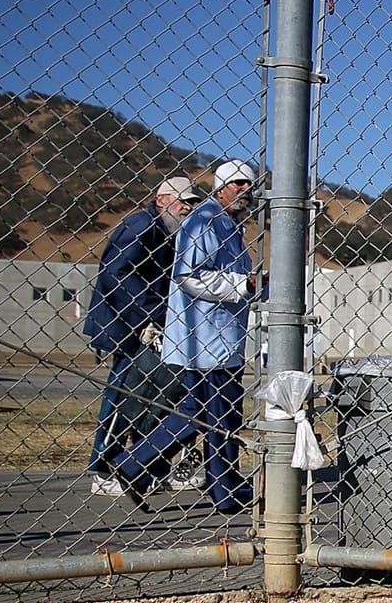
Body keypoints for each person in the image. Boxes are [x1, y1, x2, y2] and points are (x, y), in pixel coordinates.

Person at [105, 159, 259, 513]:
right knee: (216, 414)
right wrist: (242, 284)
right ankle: (223, 489)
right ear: (220, 187)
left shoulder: (230, 226)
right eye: (238, 184)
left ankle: (137, 465)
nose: (245, 192)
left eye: (249, 186)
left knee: (209, 411)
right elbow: (188, 275)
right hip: (203, 339)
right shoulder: (205, 221)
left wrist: (250, 287)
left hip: (220, 338)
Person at [81, 175, 198, 494]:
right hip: (128, 327)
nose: (188, 207)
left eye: (191, 202)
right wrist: (152, 313)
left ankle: (150, 467)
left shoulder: (168, 231)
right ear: (162, 200)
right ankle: (103, 468)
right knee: (121, 399)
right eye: (182, 200)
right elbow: (116, 273)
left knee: (155, 400)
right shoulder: (142, 226)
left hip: (151, 326)